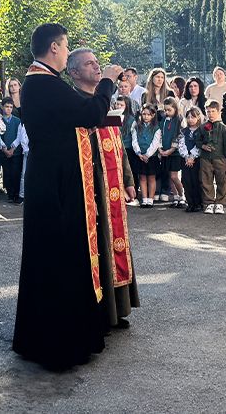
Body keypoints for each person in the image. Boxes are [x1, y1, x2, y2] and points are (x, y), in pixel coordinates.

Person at [13, 22, 122, 370]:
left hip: (49, 179)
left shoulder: (38, 83)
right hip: (57, 184)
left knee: (47, 259)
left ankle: (41, 338)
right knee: (62, 257)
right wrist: (107, 81)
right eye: (65, 45)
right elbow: (91, 114)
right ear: (55, 48)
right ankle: (62, 345)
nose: (66, 51)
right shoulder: (45, 84)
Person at [67, 46, 139, 330]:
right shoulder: (76, 104)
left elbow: (118, 147)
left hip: (113, 189)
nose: (97, 67)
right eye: (89, 64)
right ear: (74, 72)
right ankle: (100, 314)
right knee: (97, 250)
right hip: (92, 190)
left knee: (114, 244)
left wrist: (128, 180)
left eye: (97, 62)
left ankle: (117, 309)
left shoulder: (102, 102)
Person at [198, 100, 226, 214]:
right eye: (208, 112)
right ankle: (209, 202)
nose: (210, 114)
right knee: (206, 180)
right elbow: (197, 140)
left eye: (213, 111)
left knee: (222, 180)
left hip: (221, 158)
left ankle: (220, 203)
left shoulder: (223, 128)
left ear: (218, 111)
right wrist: (203, 146)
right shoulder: (202, 127)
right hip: (205, 158)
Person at [131, 104, 161, 208]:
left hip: (151, 157)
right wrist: (139, 153)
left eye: (148, 114)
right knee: (142, 177)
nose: (146, 116)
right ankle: (144, 199)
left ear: (153, 115)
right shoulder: (136, 127)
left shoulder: (156, 128)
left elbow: (155, 143)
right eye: (144, 114)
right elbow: (134, 141)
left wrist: (147, 154)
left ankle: (150, 199)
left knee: (151, 178)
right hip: (140, 156)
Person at [158, 97, 185, 206]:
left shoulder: (179, 120)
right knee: (169, 176)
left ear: (175, 108)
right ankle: (175, 197)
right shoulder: (163, 120)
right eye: (165, 110)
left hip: (175, 153)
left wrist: (172, 149)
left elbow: (180, 136)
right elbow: (159, 134)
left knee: (174, 176)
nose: (166, 112)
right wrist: (160, 149)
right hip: (165, 152)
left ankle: (182, 195)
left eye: (169, 110)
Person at [178, 106, 204, 212]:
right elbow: (181, 145)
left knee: (196, 181)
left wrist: (192, 156)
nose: (190, 119)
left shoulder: (201, 131)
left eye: (193, 117)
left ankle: (198, 203)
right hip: (185, 160)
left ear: (198, 118)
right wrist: (186, 156)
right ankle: (190, 203)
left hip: (196, 160)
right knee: (186, 181)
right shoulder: (183, 131)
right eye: (188, 117)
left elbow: (199, 145)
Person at [0, 98, 24, 203]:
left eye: (11, 107)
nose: (8, 109)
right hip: (4, 151)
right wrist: (5, 149)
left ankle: (16, 194)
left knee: (16, 172)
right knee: (7, 172)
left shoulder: (17, 121)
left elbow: (19, 136)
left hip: (16, 151)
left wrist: (13, 148)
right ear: (2, 107)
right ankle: (10, 194)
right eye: (6, 106)